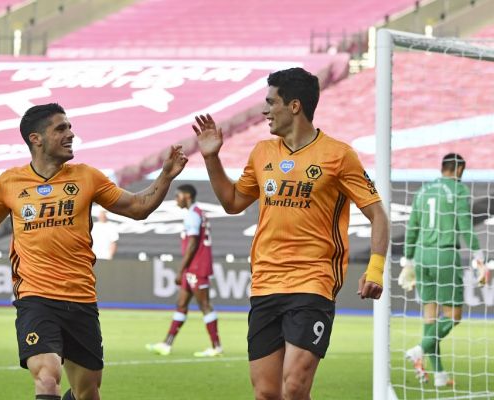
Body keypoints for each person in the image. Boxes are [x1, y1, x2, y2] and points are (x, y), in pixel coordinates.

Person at [0, 103, 188, 400]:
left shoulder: (87, 177)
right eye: (61, 128)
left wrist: (166, 175)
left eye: (70, 127)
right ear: (36, 138)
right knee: (47, 375)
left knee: (87, 392)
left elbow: (138, 208)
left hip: (81, 298)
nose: (71, 134)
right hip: (35, 297)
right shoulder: (9, 183)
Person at [192, 67, 389, 400]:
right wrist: (212, 158)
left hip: (313, 282)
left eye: (271, 102)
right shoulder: (262, 153)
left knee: (294, 387)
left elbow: (378, 216)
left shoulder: (339, 155)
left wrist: (376, 269)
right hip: (266, 283)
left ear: (294, 106)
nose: (264, 110)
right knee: (268, 393)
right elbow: (232, 201)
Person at [398, 153, 489, 388]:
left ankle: (439, 375)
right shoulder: (457, 191)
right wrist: (479, 258)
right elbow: (466, 227)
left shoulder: (423, 190)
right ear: (459, 171)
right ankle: (419, 350)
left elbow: (413, 227)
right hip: (445, 255)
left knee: (430, 318)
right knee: (454, 317)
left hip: (421, 256)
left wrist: (408, 260)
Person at [146, 184, 222, 357]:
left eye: (177, 196)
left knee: (205, 305)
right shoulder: (197, 213)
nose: (176, 199)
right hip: (193, 267)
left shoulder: (193, 215)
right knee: (181, 304)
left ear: (187, 196)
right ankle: (166, 344)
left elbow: (193, 243)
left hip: (197, 266)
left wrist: (181, 269)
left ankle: (216, 346)